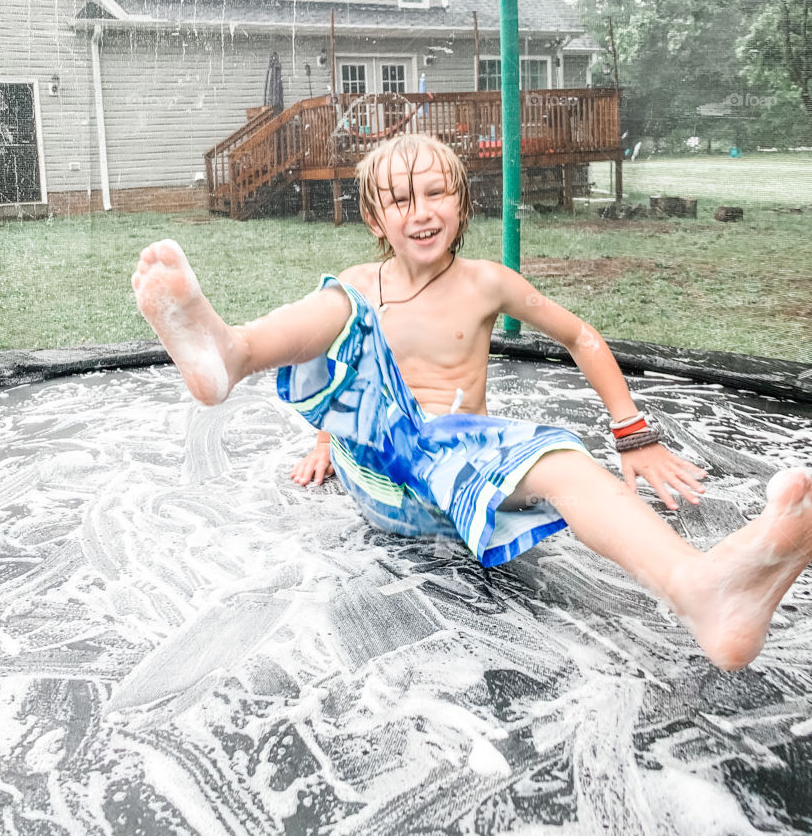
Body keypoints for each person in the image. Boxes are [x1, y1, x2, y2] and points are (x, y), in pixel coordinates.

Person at [131, 133, 812, 671]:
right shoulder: (362, 284)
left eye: (435, 193)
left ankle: (701, 593)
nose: (420, 212)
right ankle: (233, 352)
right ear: (374, 216)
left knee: (566, 461)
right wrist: (327, 442)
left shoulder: (488, 283)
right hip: (382, 475)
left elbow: (579, 334)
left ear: (462, 203)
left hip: (460, 483)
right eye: (400, 200)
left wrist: (633, 433)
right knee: (343, 305)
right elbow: (355, 373)